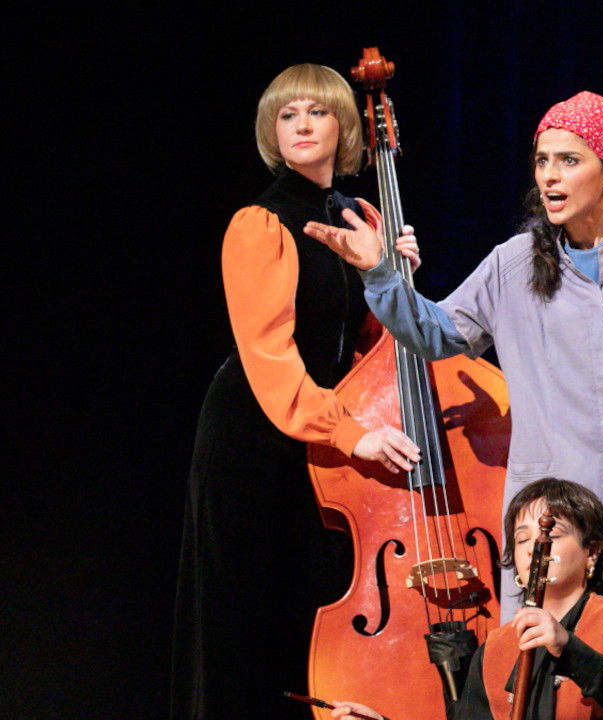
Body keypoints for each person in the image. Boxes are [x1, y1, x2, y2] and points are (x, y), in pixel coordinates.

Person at [306, 91, 603, 720]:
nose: (550, 176)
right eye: (541, 161)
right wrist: (381, 275)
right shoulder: (512, 264)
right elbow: (434, 332)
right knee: (542, 686)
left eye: (568, 160)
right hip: (553, 520)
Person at [170, 64, 421, 720]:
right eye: (288, 115)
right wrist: (352, 431)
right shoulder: (258, 223)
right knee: (244, 622)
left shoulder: (358, 213)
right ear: (272, 132)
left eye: (317, 112)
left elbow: (373, 347)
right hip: (254, 436)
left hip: (320, 435)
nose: (303, 125)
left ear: (344, 128)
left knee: (306, 616)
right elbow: (271, 358)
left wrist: (397, 278)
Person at [330, 478, 603, 720]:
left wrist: (569, 647)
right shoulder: (496, 647)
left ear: (591, 552)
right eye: (522, 540)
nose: (536, 547)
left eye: (551, 534)